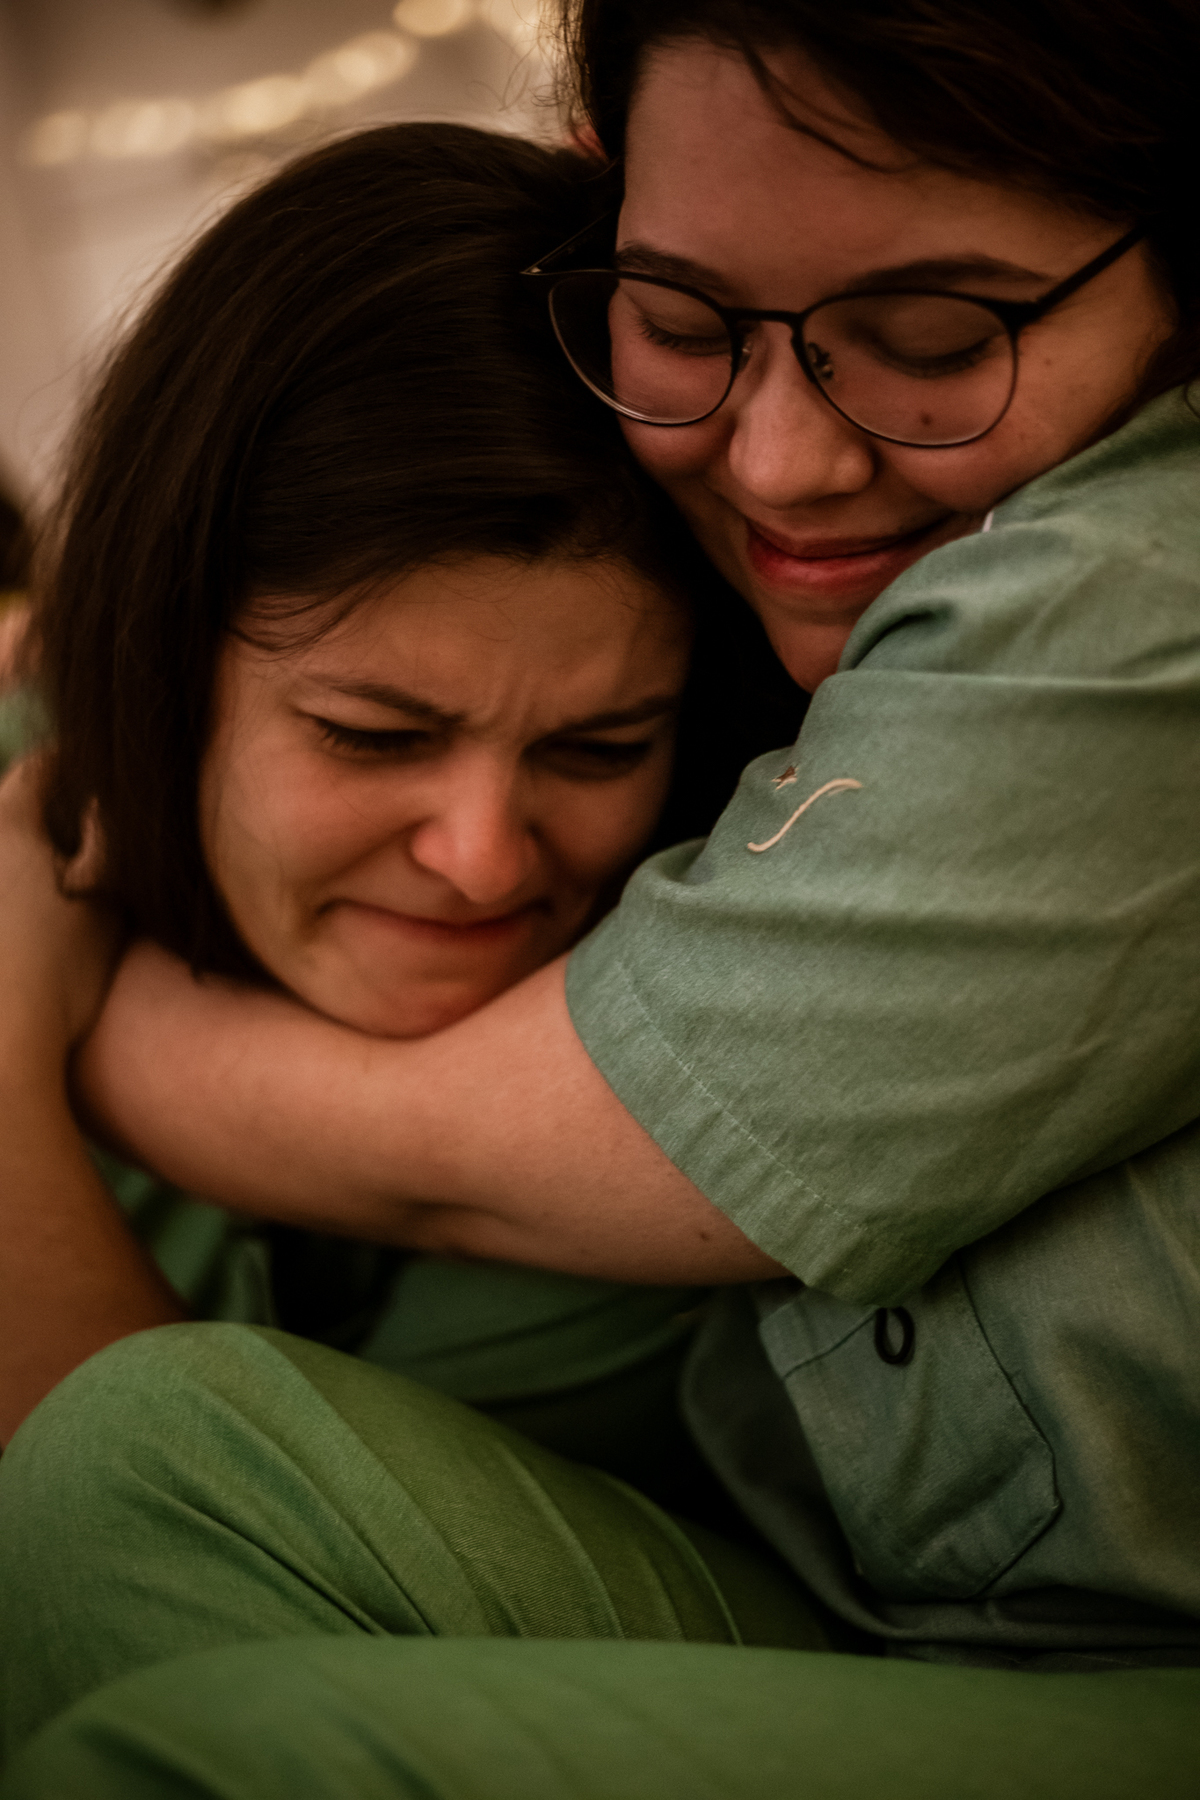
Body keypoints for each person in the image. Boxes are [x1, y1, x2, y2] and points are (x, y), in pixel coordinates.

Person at [2, 1, 1200, 1794]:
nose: (779, 461)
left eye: (935, 338)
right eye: (684, 325)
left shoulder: (1131, 595)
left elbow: (457, 1166)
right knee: (148, 1460)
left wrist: (28, 1015)